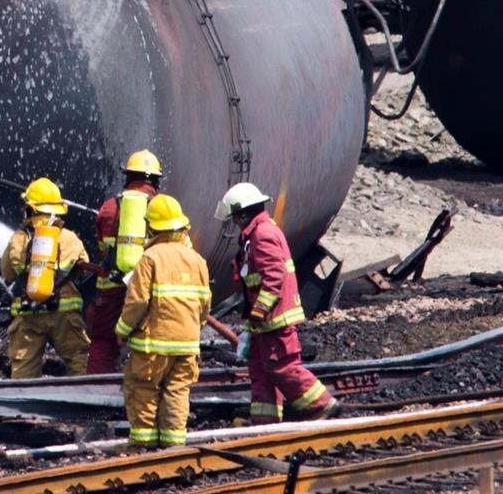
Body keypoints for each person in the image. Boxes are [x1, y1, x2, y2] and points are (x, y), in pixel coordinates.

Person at [215, 182, 340, 424]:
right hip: (264, 319)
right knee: (261, 370)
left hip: (274, 317)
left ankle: (321, 404)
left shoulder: (262, 235)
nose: (234, 223)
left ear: (243, 214)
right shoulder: (256, 234)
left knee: (281, 366)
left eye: (235, 218)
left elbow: (273, 277)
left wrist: (260, 310)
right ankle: (264, 422)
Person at [116, 194, 210, 447]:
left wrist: (122, 330)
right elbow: (204, 304)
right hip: (187, 343)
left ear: (152, 227)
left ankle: (143, 444)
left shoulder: (150, 257)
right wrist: (193, 330)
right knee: (178, 391)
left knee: (144, 388)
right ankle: (173, 446)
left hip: (154, 342)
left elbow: (137, 302)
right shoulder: (197, 260)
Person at [1, 177, 91, 378]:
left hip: (28, 312)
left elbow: (7, 273)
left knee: (23, 366)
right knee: (78, 359)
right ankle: (84, 402)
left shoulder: (19, 238)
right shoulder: (69, 238)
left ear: (30, 209)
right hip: (63, 312)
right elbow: (83, 271)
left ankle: (23, 405)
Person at [87, 149, 164, 374]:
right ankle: (143, 389)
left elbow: (102, 246)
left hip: (111, 289)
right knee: (149, 343)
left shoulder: (109, 207)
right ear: (156, 180)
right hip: (148, 289)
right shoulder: (161, 206)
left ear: (128, 176)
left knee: (102, 341)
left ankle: (97, 393)